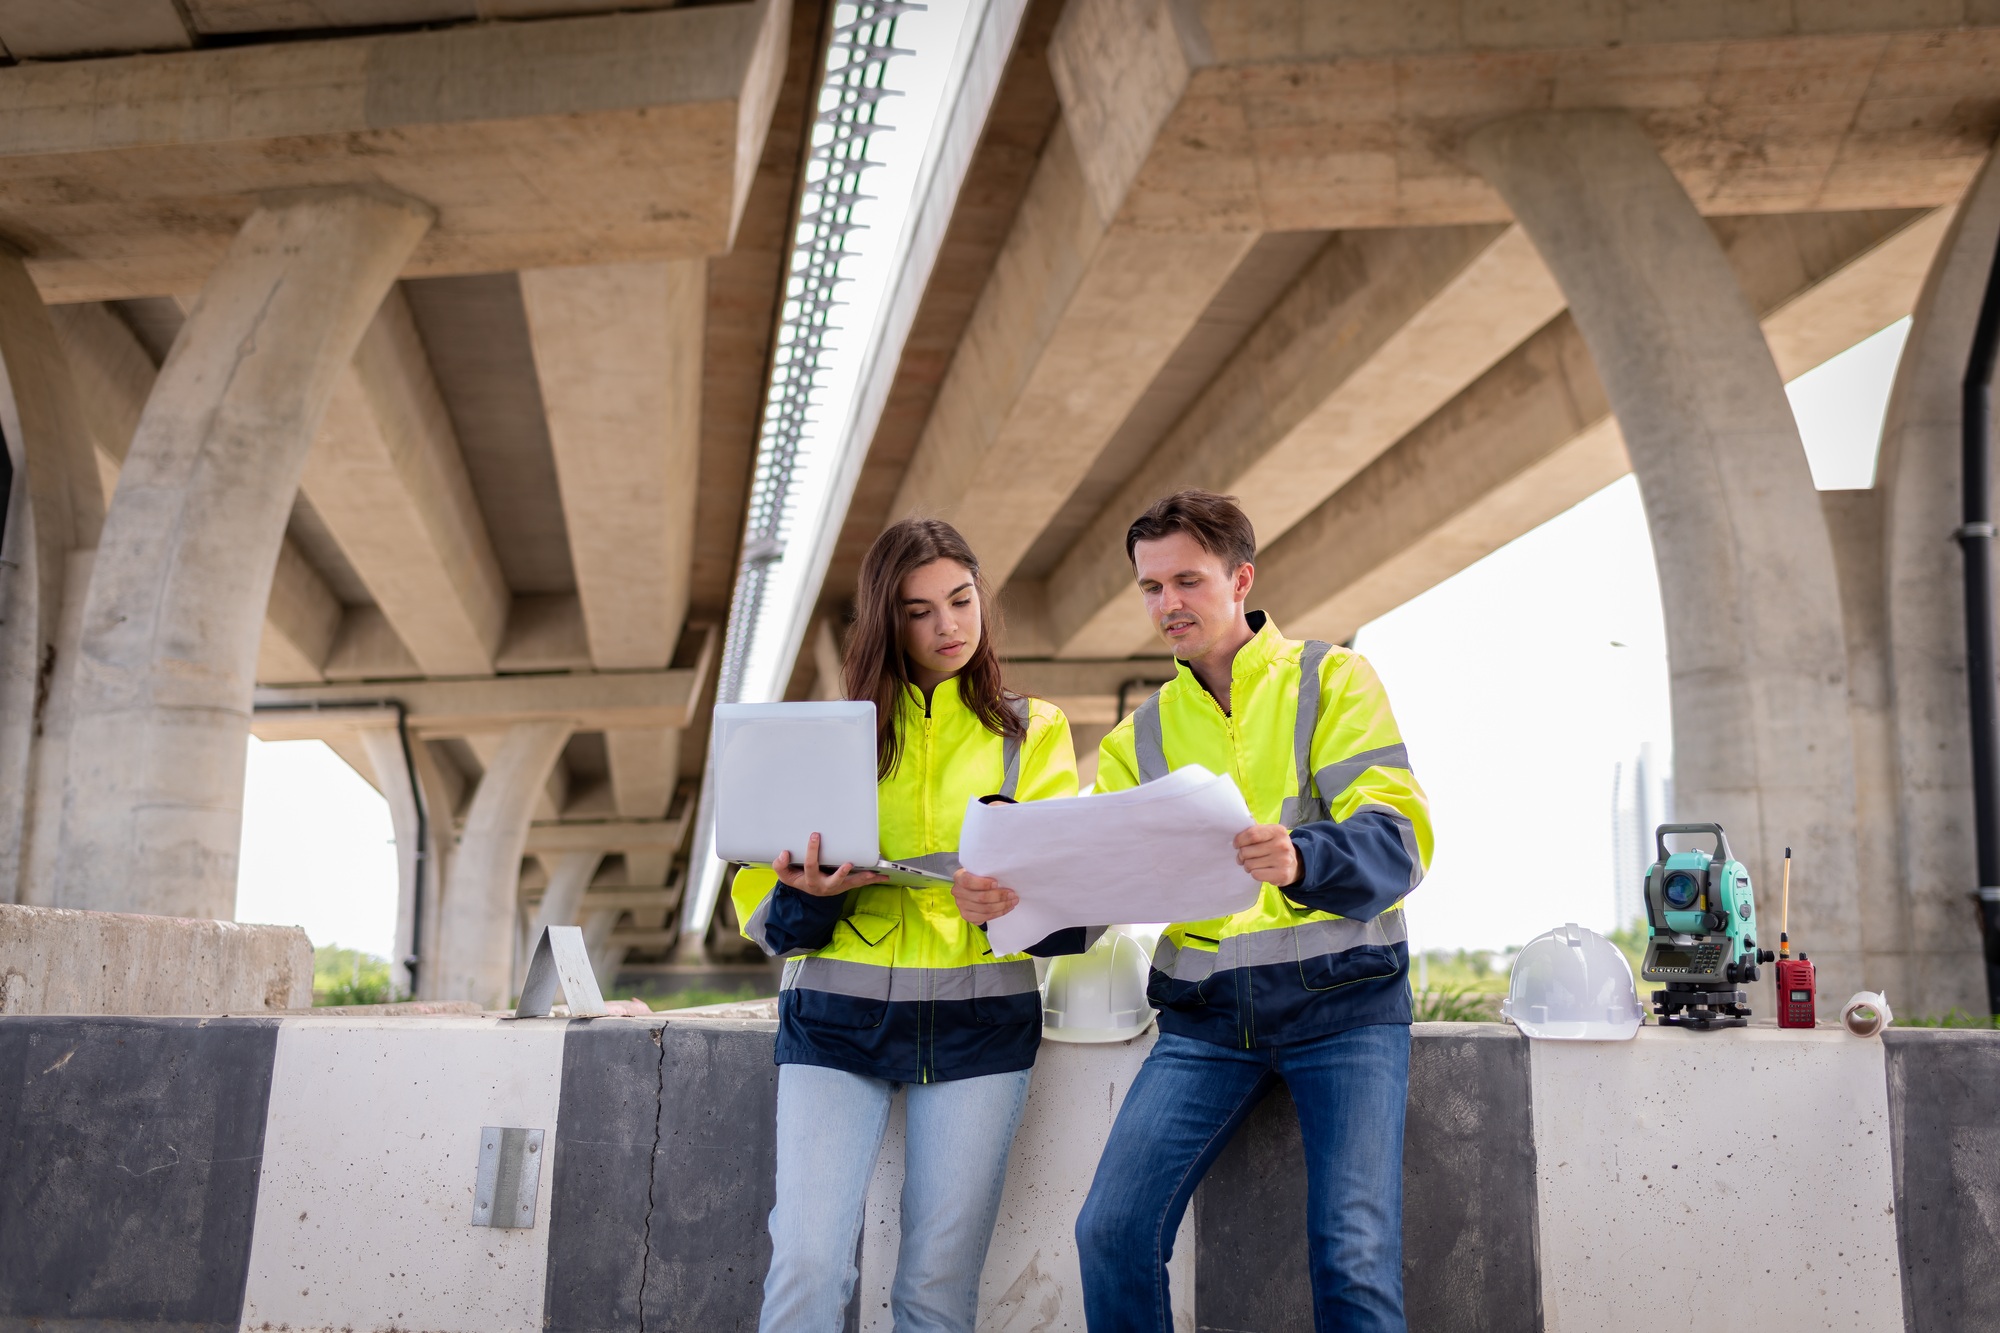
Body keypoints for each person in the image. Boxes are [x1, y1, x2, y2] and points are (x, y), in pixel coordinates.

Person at [1073, 490, 1432, 1333]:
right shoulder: (1141, 735)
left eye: (1186, 581)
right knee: (1112, 1230)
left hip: (1347, 1007)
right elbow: (1098, 887)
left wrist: (1305, 856)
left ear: (1241, 580)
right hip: (1207, 1026)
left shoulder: (1332, 678)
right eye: (1151, 588)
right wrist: (1015, 900)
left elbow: (1399, 837)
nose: (1167, 605)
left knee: (1353, 1254)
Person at [731, 517, 1085, 1333]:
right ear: (887, 619)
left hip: (980, 1029)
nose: (947, 625)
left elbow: (1067, 883)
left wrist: (1011, 899)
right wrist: (808, 893)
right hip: (836, 1022)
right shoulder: (826, 735)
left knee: (936, 1287)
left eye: (960, 601)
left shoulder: (1035, 731)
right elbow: (757, 904)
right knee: (810, 1262)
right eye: (918, 610)